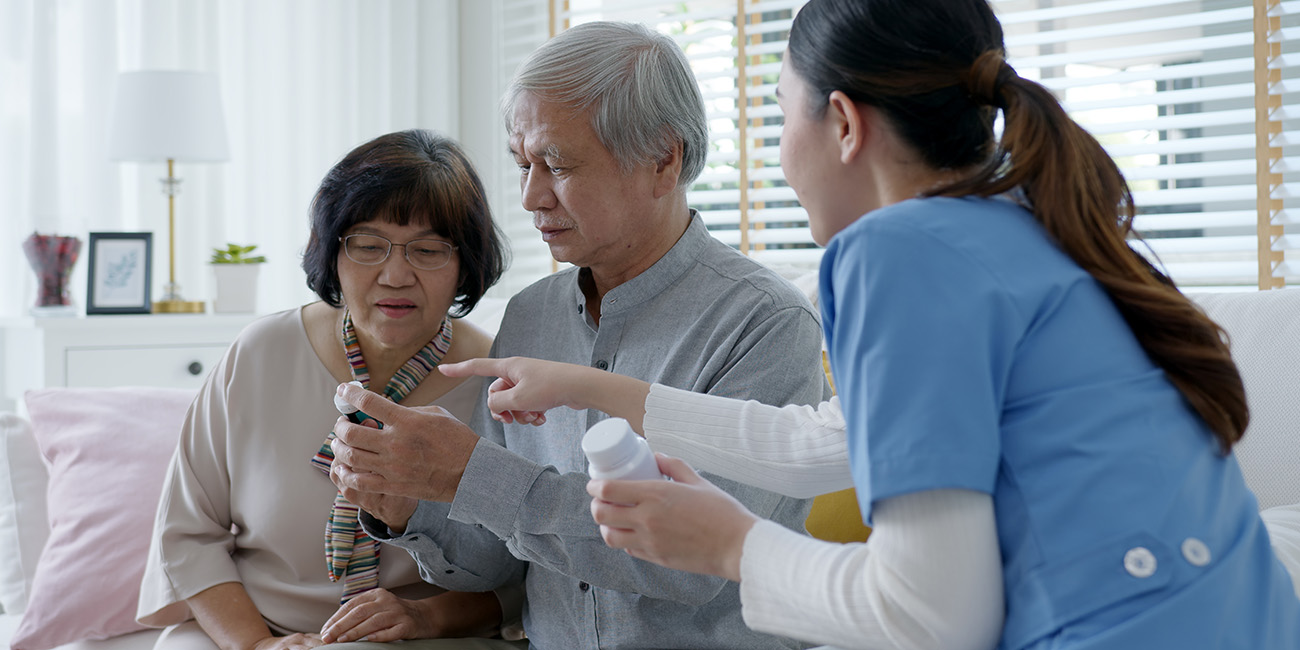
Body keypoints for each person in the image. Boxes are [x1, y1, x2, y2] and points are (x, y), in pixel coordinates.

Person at [434, 1, 1300, 649]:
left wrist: (732, 545)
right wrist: (593, 387)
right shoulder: (1017, 226)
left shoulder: (896, 252)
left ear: (843, 123)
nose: (779, 158)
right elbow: (836, 439)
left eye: (781, 118)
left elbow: (928, 614)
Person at [327, 20, 830, 650]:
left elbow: (694, 561)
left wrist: (470, 474)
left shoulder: (764, 323)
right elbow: (494, 565)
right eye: (523, 164)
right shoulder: (532, 316)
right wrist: (405, 501)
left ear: (662, 160)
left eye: (558, 164)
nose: (533, 196)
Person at [137, 130, 523, 650]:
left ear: (464, 265)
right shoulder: (260, 352)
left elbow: (526, 569)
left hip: (416, 635)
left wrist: (424, 618)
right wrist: (257, 644)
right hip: (255, 628)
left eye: (428, 250)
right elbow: (187, 533)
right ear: (333, 253)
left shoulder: (498, 383)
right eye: (368, 245)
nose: (395, 274)